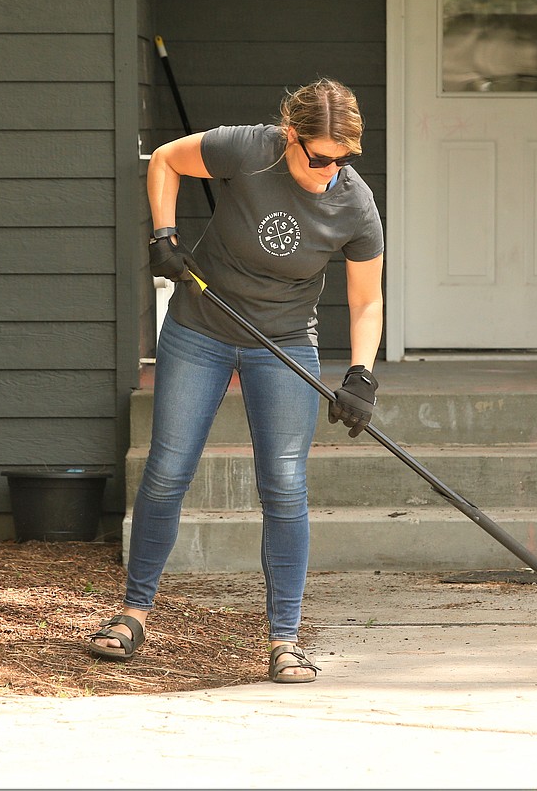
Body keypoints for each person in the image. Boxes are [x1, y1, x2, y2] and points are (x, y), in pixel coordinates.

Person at [87, 78, 385, 683]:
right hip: (202, 325)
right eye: (319, 156)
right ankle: (132, 614)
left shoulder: (355, 205)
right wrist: (163, 236)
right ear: (290, 136)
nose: (330, 171)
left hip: (285, 343)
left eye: (343, 158)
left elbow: (365, 303)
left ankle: (285, 640)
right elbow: (168, 160)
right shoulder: (250, 150)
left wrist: (361, 375)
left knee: (283, 482)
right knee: (169, 470)